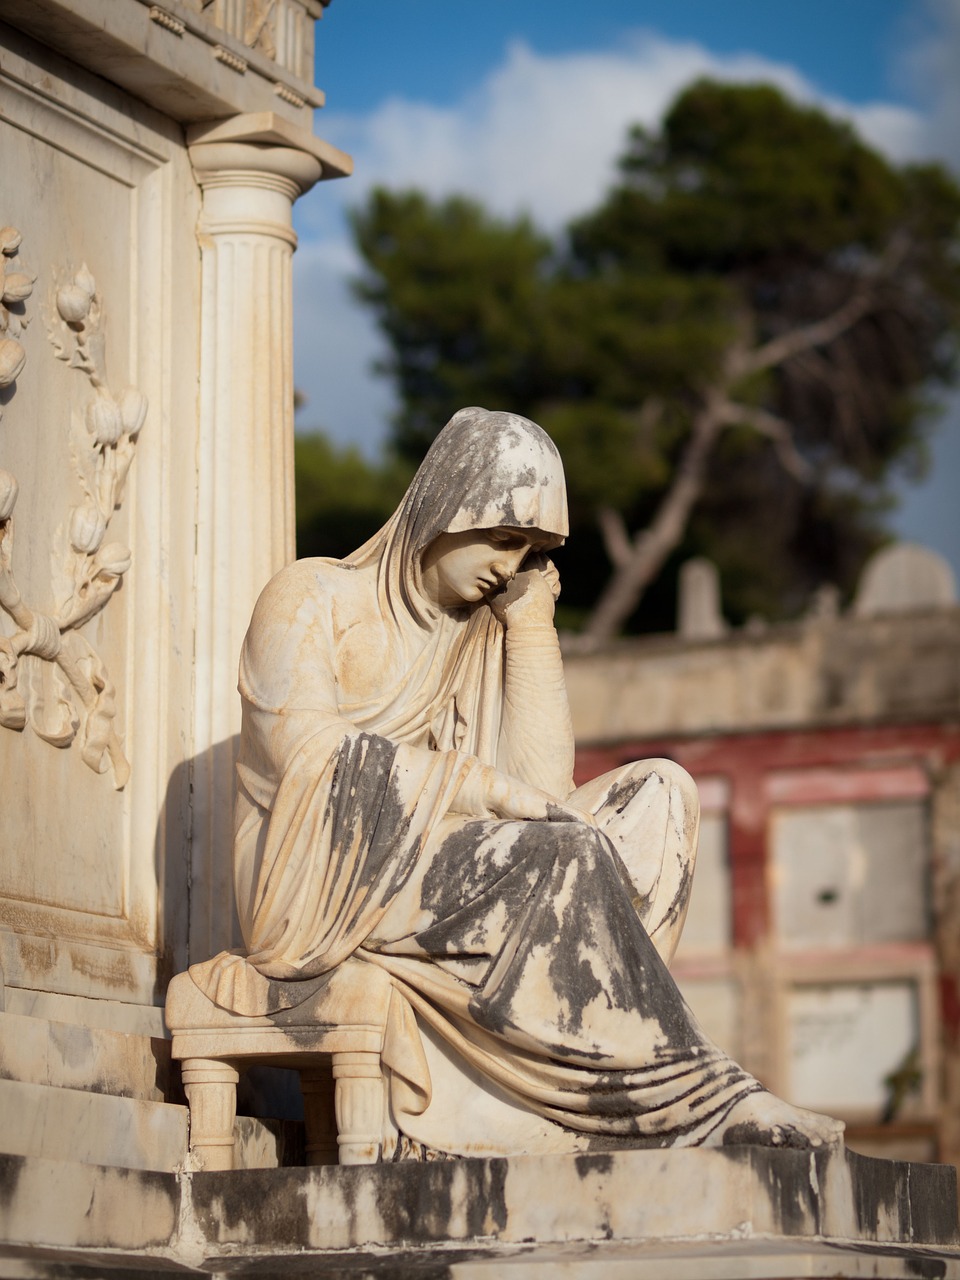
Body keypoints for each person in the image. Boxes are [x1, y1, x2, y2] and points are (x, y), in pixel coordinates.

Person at [189, 406, 843, 1159]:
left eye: (532, 549)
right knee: (562, 854)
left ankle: (562, 1095)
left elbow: (541, 790)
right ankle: (676, 1100)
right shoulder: (311, 597)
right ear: (445, 508)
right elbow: (306, 754)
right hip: (316, 876)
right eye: (505, 538)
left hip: (443, 860)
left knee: (659, 800)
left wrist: (532, 630)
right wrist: (478, 789)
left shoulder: (479, 630)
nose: (512, 564)